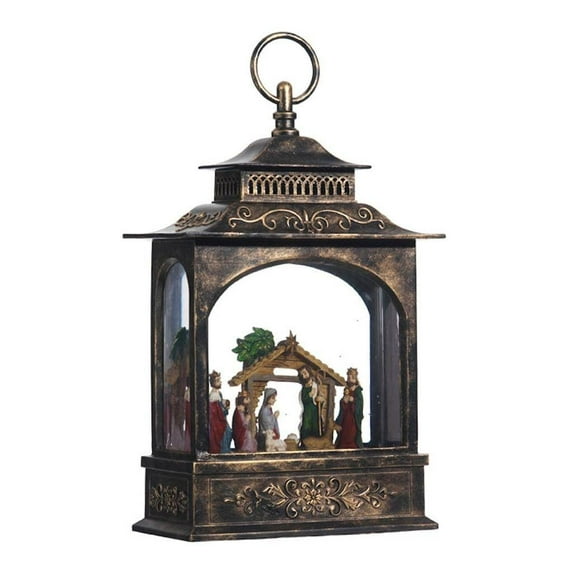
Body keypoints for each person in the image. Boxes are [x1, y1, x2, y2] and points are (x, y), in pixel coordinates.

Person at [334, 367, 364, 449]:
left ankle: (353, 444)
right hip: (346, 415)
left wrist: (353, 400)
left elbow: (360, 403)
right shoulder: (347, 389)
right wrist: (343, 401)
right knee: (344, 430)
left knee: (352, 431)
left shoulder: (357, 391)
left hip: (353, 416)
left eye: (352, 376)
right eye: (349, 376)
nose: (350, 378)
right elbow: (342, 402)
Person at [298, 366, 325, 445]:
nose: (304, 376)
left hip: (315, 411)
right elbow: (304, 400)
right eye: (302, 374)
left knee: (316, 427)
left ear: (309, 373)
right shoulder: (304, 388)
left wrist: (321, 400)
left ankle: (316, 443)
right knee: (306, 427)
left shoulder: (316, 386)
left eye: (305, 373)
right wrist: (310, 395)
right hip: (308, 412)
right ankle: (305, 444)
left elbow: (322, 399)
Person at [208, 371, 232, 453]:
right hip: (217, 421)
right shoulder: (213, 395)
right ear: (213, 383)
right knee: (226, 433)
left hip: (221, 418)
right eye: (218, 381)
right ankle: (223, 450)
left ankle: (225, 449)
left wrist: (224, 404)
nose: (220, 382)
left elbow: (220, 404)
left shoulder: (218, 393)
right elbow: (216, 410)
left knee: (229, 432)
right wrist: (224, 409)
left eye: (220, 380)